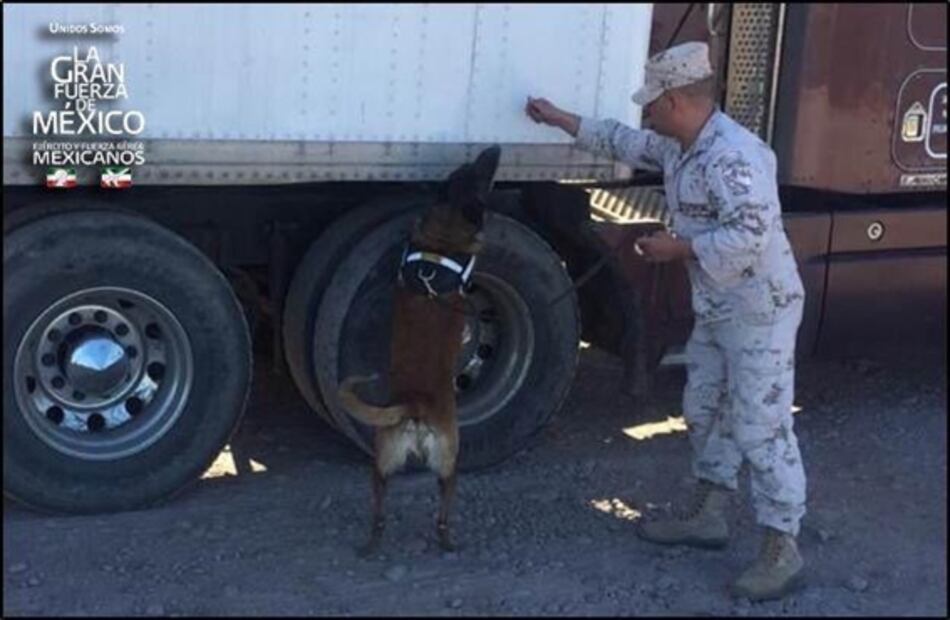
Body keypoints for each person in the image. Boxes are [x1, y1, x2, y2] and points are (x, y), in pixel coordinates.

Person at [525, 41, 807, 601]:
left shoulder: (735, 156)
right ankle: (710, 514)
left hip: (760, 309)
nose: (646, 113)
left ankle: (783, 546)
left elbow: (750, 237)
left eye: (651, 103)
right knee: (704, 408)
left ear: (675, 99)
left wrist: (679, 248)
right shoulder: (683, 144)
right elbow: (622, 140)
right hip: (720, 306)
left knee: (761, 424)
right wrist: (561, 120)